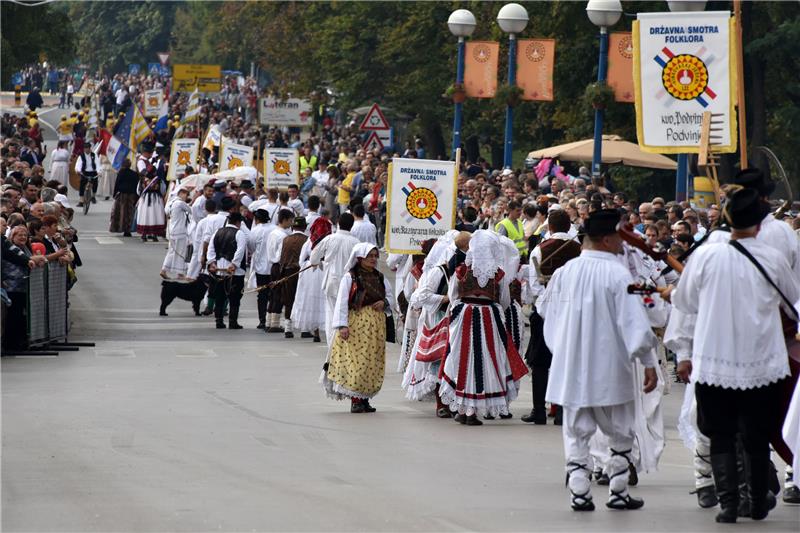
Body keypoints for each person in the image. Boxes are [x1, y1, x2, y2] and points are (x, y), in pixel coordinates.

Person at [671, 188, 799, 523]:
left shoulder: (706, 256)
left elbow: (684, 302)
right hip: (762, 361)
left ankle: (728, 504)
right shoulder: (773, 258)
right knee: (757, 435)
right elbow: (792, 301)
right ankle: (755, 501)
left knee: (720, 434)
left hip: (715, 359)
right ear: (759, 224)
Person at [537, 209, 658, 512]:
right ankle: (617, 490)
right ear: (606, 239)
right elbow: (635, 323)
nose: (622, 242)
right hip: (610, 363)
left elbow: (545, 311)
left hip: (572, 362)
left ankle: (580, 491)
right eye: (618, 237)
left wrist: (563, 345)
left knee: (577, 429)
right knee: (620, 427)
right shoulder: (618, 273)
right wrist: (647, 361)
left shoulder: (566, 271)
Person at [438, 230, 529, 425]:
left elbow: (454, 295)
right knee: (484, 360)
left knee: (462, 359)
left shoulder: (462, 269)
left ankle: (464, 409)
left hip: (464, 316)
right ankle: (471, 411)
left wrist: (461, 309)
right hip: (488, 316)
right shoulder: (498, 274)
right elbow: (504, 300)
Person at [523, 209, 582, 425]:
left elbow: (534, 285)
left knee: (540, 363)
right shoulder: (580, 249)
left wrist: (545, 302)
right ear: (569, 226)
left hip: (546, 311)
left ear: (550, 226)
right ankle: (562, 412)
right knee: (567, 360)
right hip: (573, 312)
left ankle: (539, 410)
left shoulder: (540, 249)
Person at [321, 243, 394, 413]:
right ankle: (355, 399)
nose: (374, 259)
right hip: (356, 325)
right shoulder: (351, 277)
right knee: (356, 362)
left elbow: (390, 296)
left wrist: (384, 302)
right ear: (360, 258)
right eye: (370, 256)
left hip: (376, 326)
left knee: (371, 362)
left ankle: (364, 398)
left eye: (376, 256)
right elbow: (341, 302)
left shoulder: (380, 277)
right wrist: (342, 326)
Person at [309, 212, 360, 344]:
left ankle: (331, 352)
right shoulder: (356, 242)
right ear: (352, 225)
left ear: (338, 222)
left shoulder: (329, 239)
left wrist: (322, 264)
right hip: (350, 285)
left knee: (332, 316)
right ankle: (342, 349)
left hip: (332, 282)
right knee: (346, 316)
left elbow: (313, 257)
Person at [291, 217, 331, 342]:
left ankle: (316, 332)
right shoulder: (330, 241)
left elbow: (301, 261)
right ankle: (325, 330)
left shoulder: (309, 242)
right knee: (325, 302)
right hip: (324, 273)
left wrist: (310, 263)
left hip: (310, 275)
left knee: (313, 301)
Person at [207, 211, 247, 330]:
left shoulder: (217, 232)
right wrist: (234, 264)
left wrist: (212, 262)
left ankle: (219, 321)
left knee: (220, 296)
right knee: (235, 297)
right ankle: (233, 322)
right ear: (238, 222)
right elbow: (240, 250)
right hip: (235, 272)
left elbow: (211, 248)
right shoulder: (239, 233)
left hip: (219, 269)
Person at [275, 217, 308, 338]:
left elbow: (280, 258)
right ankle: (305, 329)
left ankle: (288, 328)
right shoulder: (307, 240)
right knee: (304, 300)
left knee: (289, 300)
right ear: (304, 227)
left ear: (293, 227)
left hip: (288, 273)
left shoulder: (286, 240)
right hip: (303, 273)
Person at [264, 209, 294, 332]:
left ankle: (269, 321)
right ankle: (275, 324)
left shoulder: (273, 233)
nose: (291, 223)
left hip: (273, 266)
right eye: (291, 220)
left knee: (273, 294)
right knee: (279, 294)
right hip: (280, 266)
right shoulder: (283, 236)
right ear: (285, 220)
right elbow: (283, 254)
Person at [247, 208, 275, 329]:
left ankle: (262, 320)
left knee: (262, 295)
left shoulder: (255, 230)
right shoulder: (275, 229)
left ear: (257, 219)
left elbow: (251, 247)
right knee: (274, 295)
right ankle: (273, 320)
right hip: (274, 267)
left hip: (261, 268)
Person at [160, 185, 193, 280]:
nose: (186, 197)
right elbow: (191, 210)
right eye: (186, 194)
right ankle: (180, 273)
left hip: (172, 231)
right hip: (180, 231)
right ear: (181, 193)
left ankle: (164, 270)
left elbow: (166, 212)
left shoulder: (170, 203)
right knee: (181, 252)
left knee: (172, 251)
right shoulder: (179, 203)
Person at [109, 159, 139, 236]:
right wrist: (137, 196)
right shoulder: (134, 174)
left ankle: (119, 227)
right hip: (131, 195)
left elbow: (117, 184)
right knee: (129, 213)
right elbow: (137, 186)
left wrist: (115, 194)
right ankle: (128, 230)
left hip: (122, 195)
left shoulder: (121, 173)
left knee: (120, 212)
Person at [135, 170, 166, 242]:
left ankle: (144, 235)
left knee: (145, 216)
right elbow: (163, 190)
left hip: (145, 200)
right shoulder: (158, 180)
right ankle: (154, 235)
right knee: (155, 216)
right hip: (156, 200)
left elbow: (138, 191)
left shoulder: (142, 180)